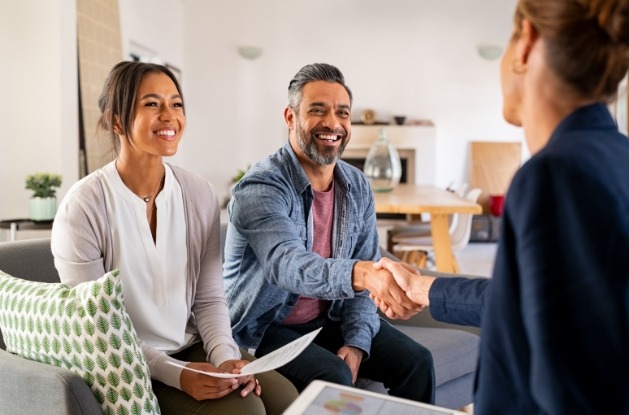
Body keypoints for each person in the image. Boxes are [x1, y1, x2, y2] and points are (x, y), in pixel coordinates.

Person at [373, 0, 629, 412]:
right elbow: (536, 303)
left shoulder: (556, 175)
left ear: (525, 42)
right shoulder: (617, 156)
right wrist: (424, 288)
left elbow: (572, 386)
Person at [51, 61, 298, 415]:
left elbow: (210, 298)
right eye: (152, 104)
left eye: (176, 104)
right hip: (125, 364)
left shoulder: (198, 193)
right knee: (244, 411)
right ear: (117, 121)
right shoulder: (83, 207)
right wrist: (176, 375)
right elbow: (98, 327)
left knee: (286, 398)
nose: (170, 116)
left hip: (190, 345)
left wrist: (226, 358)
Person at [222, 63, 435, 404]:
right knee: (332, 376)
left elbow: (363, 284)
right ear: (290, 118)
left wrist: (356, 342)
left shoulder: (356, 185)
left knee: (418, 363)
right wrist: (362, 273)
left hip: (326, 318)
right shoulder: (261, 187)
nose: (332, 124)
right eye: (317, 111)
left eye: (342, 113)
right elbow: (287, 265)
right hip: (264, 329)